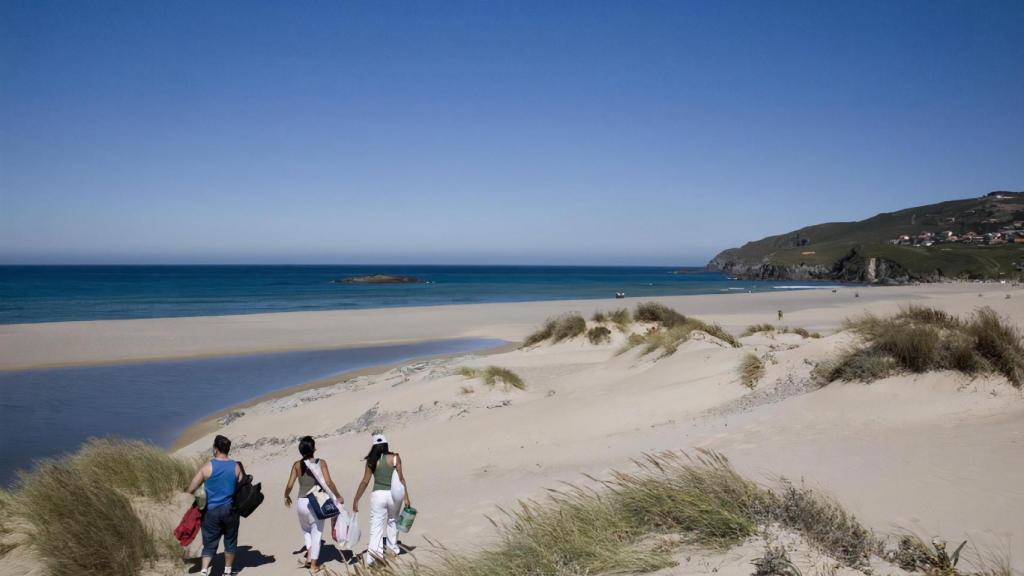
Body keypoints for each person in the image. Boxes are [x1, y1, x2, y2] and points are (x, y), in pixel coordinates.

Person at [284, 436, 343, 573]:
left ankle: (309, 558)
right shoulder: (321, 463)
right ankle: (314, 565)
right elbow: (328, 482)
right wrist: (338, 495)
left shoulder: (297, 465)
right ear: (314, 449)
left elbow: (290, 484)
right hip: (315, 501)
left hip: (301, 502)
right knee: (317, 533)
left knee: (307, 532)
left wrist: (286, 495)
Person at [186, 435, 243, 576]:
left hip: (211, 511)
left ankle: (204, 570)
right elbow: (241, 486)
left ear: (216, 449)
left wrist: (200, 492)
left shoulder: (208, 467)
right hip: (230, 510)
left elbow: (191, 488)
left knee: (209, 543)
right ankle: (227, 571)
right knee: (230, 541)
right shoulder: (236, 466)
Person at [352, 434, 411, 565]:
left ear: (374, 446)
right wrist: (406, 497)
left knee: (376, 526)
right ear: (386, 445)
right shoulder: (395, 458)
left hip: (378, 495)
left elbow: (365, 482)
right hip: (394, 495)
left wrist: (356, 499)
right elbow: (401, 479)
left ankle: (374, 558)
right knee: (393, 521)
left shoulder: (371, 461)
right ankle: (392, 550)